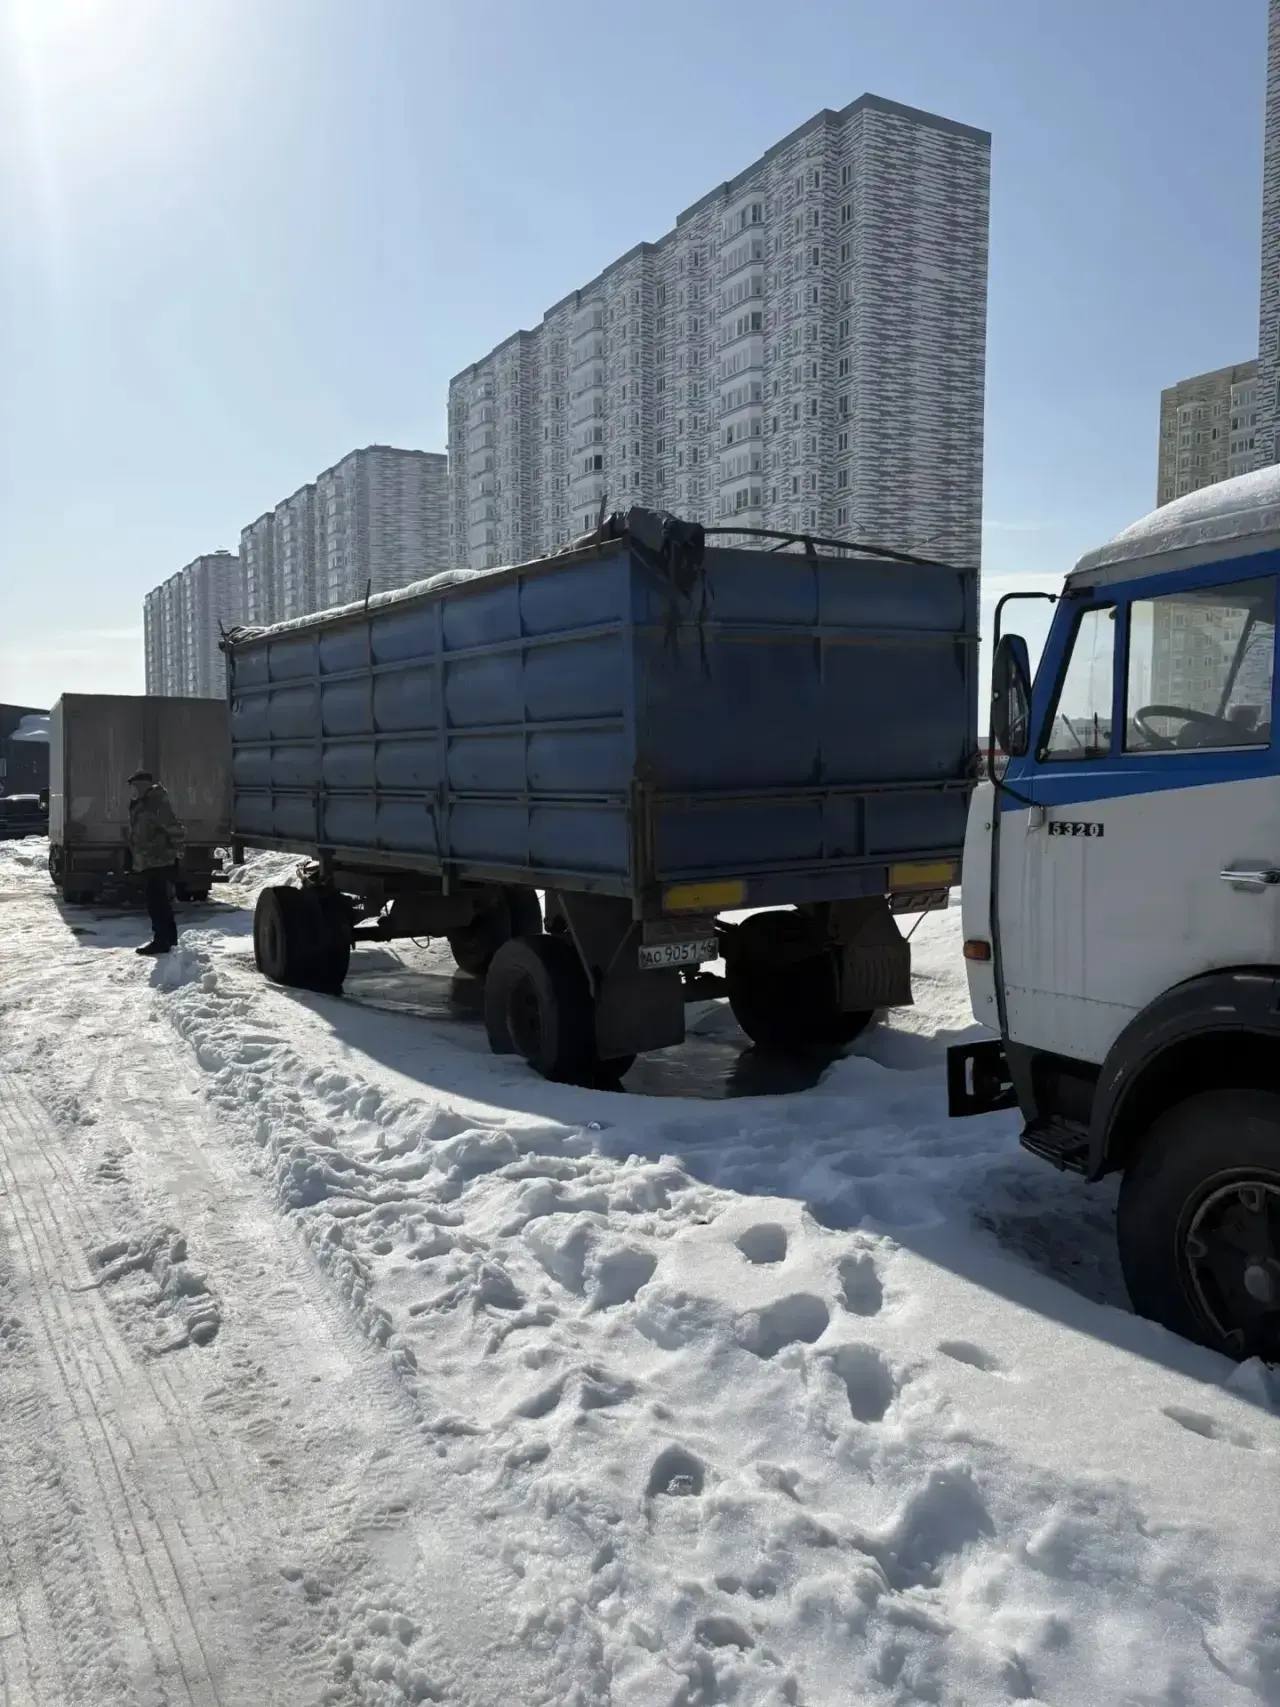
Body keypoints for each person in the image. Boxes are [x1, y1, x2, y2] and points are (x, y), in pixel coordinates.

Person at [127, 769, 186, 955]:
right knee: (159, 902)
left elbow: (173, 828)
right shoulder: (144, 803)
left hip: (159, 860)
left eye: (135, 786)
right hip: (150, 860)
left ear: (143, 785)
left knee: (157, 903)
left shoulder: (156, 803)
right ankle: (168, 939)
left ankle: (162, 941)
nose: (133, 790)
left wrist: (178, 850)